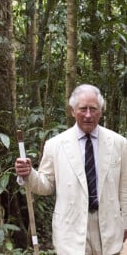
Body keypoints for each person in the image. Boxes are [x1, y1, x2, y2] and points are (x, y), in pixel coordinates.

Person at [15, 84, 127, 254]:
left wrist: (125, 223)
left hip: (109, 227)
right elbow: (46, 186)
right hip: (70, 229)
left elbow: (125, 189)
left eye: (93, 109)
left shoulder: (119, 143)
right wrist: (29, 173)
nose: (88, 115)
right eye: (83, 109)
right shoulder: (55, 145)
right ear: (73, 111)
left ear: (101, 111)